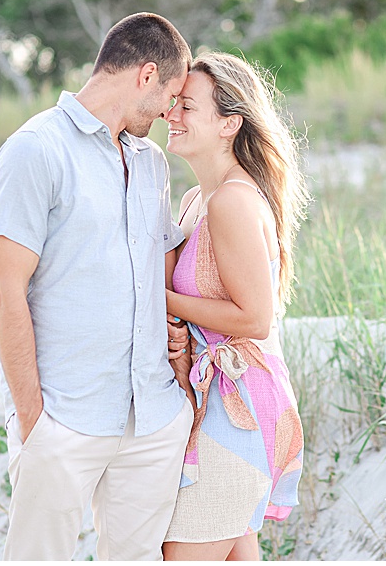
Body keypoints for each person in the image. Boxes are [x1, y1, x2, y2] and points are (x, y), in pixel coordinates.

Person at [0, 13, 195, 561]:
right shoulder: (34, 150)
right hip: (63, 419)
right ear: (146, 76)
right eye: (172, 95)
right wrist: (36, 424)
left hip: (150, 420)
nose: (172, 112)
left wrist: (174, 378)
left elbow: (158, 277)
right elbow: (6, 295)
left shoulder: (153, 165)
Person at [160, 51, 310, 561]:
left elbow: (254, 318)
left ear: (229, 123)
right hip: (214, 404)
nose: (170, 115)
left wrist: (159, 299)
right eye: (172, 103)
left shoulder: (233, 202)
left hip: (238, 409)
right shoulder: (196, 200)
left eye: (186, 106)